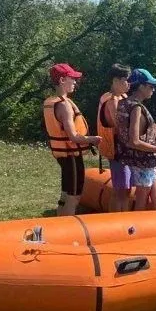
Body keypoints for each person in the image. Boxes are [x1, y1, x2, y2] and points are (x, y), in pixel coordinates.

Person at [43, 62, 100, 216]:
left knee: (65, 193)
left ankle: (59, 222)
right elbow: (73, 136)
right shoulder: (64, 106)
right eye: (72, 78)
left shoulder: (51, 102)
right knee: (74, 196)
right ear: (62, 80)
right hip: (72, 156)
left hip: (63, 156)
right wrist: (93, 139)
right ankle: (68, 228)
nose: (75, 82)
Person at [115, 68, 156, 212]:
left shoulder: (124, 103)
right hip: (142, 161)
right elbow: (134, 141)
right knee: (141, 203)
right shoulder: (136, 107)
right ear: (140, 86)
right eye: (151, 86)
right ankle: (137, 232)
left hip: (142, 161)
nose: (153, 90)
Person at [96, 64, 131, 212]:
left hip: (124, 149)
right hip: (117, 150)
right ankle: (116, 222)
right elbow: (120, 125)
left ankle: (124, 219)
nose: (128, 84)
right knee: (120, 191)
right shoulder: (112, 100)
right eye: (125, 80)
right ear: (115, 81)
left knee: (126, 189)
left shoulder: (122, 97)